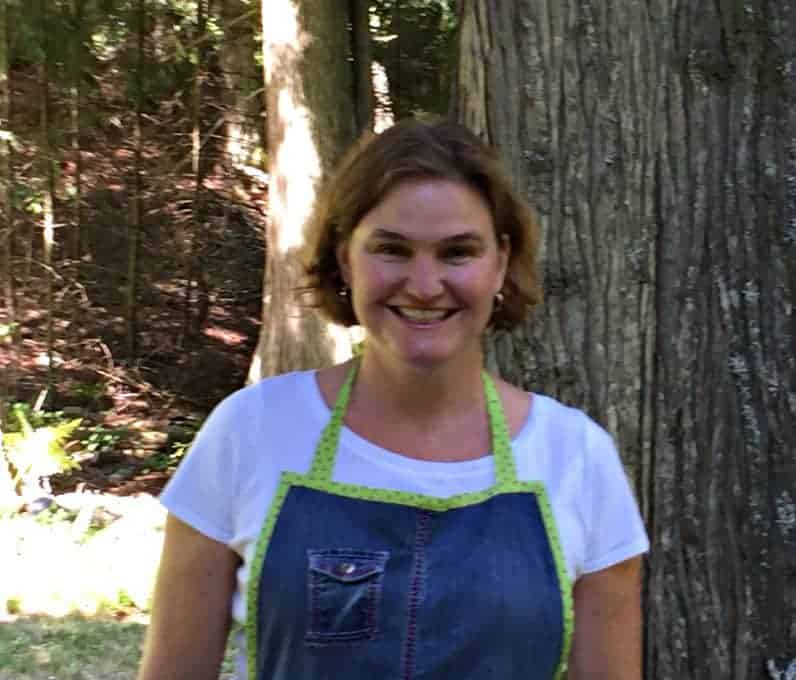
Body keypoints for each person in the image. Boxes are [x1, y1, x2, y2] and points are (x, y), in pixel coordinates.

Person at [137, 119, 649, 680]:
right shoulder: (251, 431)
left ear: (500, 263)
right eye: (392, 249)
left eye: (457, 252)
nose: (425, 285)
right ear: (344, 257)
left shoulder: (577, 456)